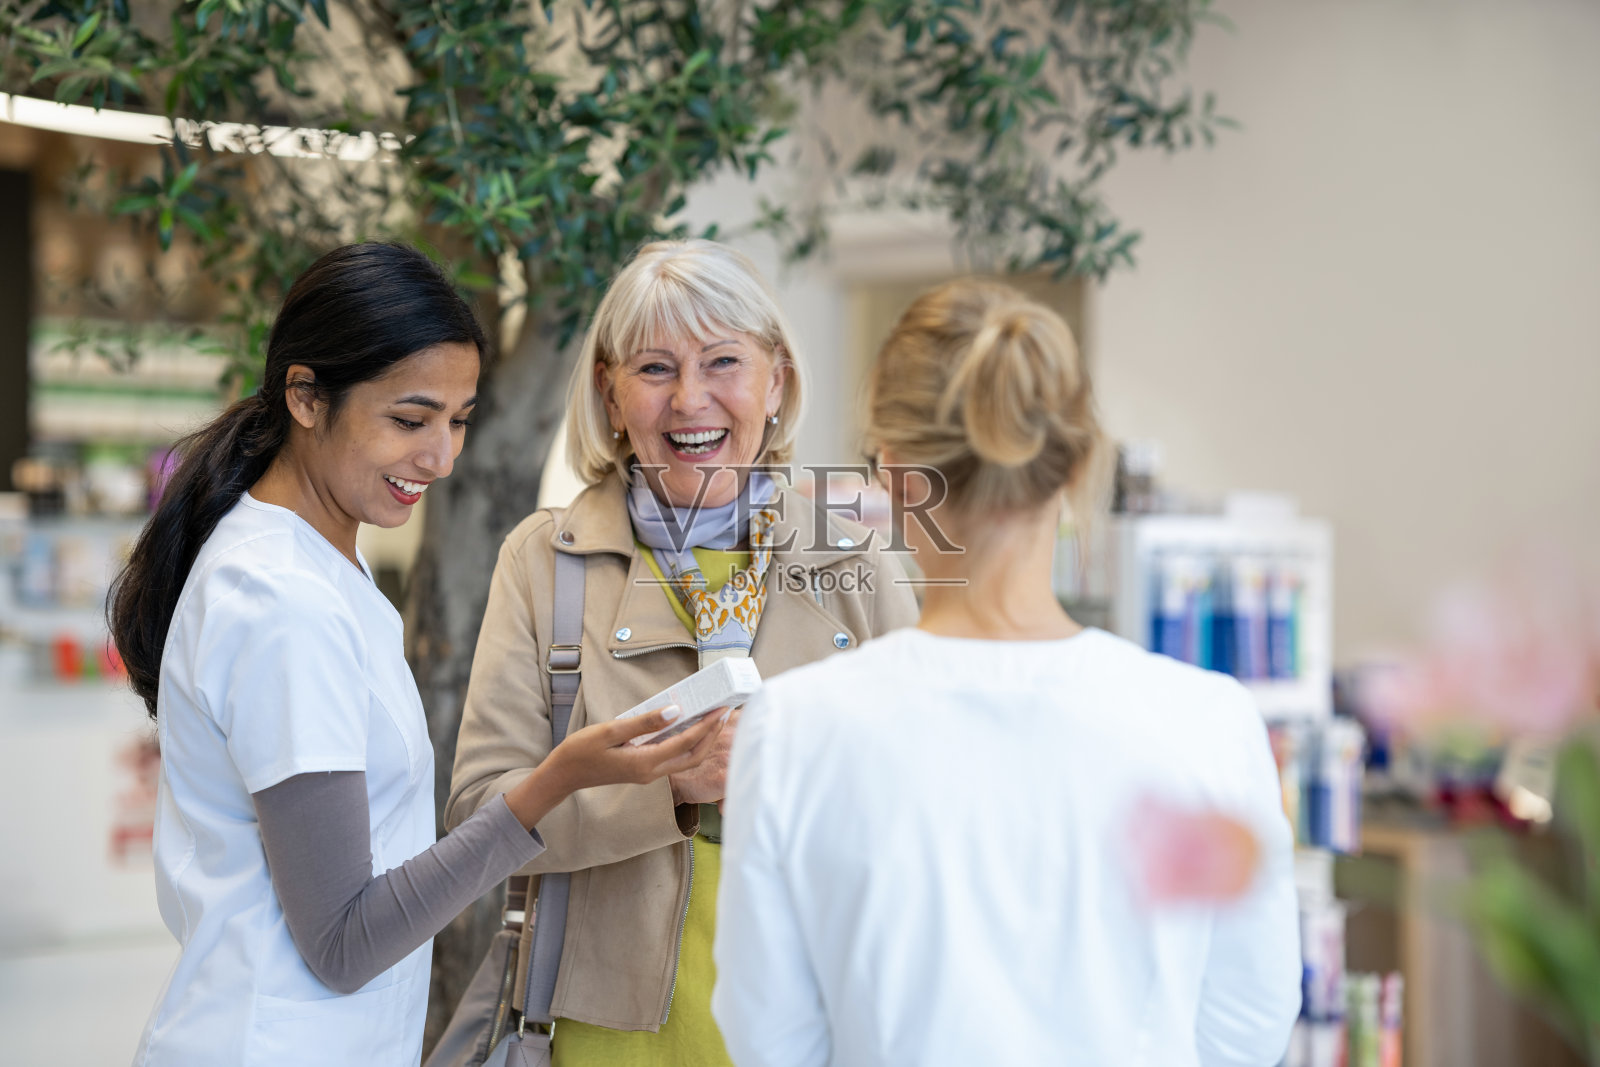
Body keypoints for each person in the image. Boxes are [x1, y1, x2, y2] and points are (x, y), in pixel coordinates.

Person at [111, 242, 724, 1067]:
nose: (440, 456)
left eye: (459, 419)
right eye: (410, 419)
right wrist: (555, 782)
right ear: (306, 396)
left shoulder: (326, 561)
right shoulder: (282, 600)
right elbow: (343, 941)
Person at [711, 280, 1303, 1066]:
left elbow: (772, 1041)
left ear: (891, 474)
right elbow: (1247, 1024)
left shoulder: (793, 729)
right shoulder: (1210, 721)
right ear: (1076, 465)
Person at [446, 238, 920, 1065]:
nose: (690, 399)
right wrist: (670, 788)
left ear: (777, 380)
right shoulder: (541, 564)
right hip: (600, 1042)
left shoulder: (859, 569)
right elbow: (481, 817)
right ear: (610, 390)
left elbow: (927, 816)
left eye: (723, 362)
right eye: (655, 368)